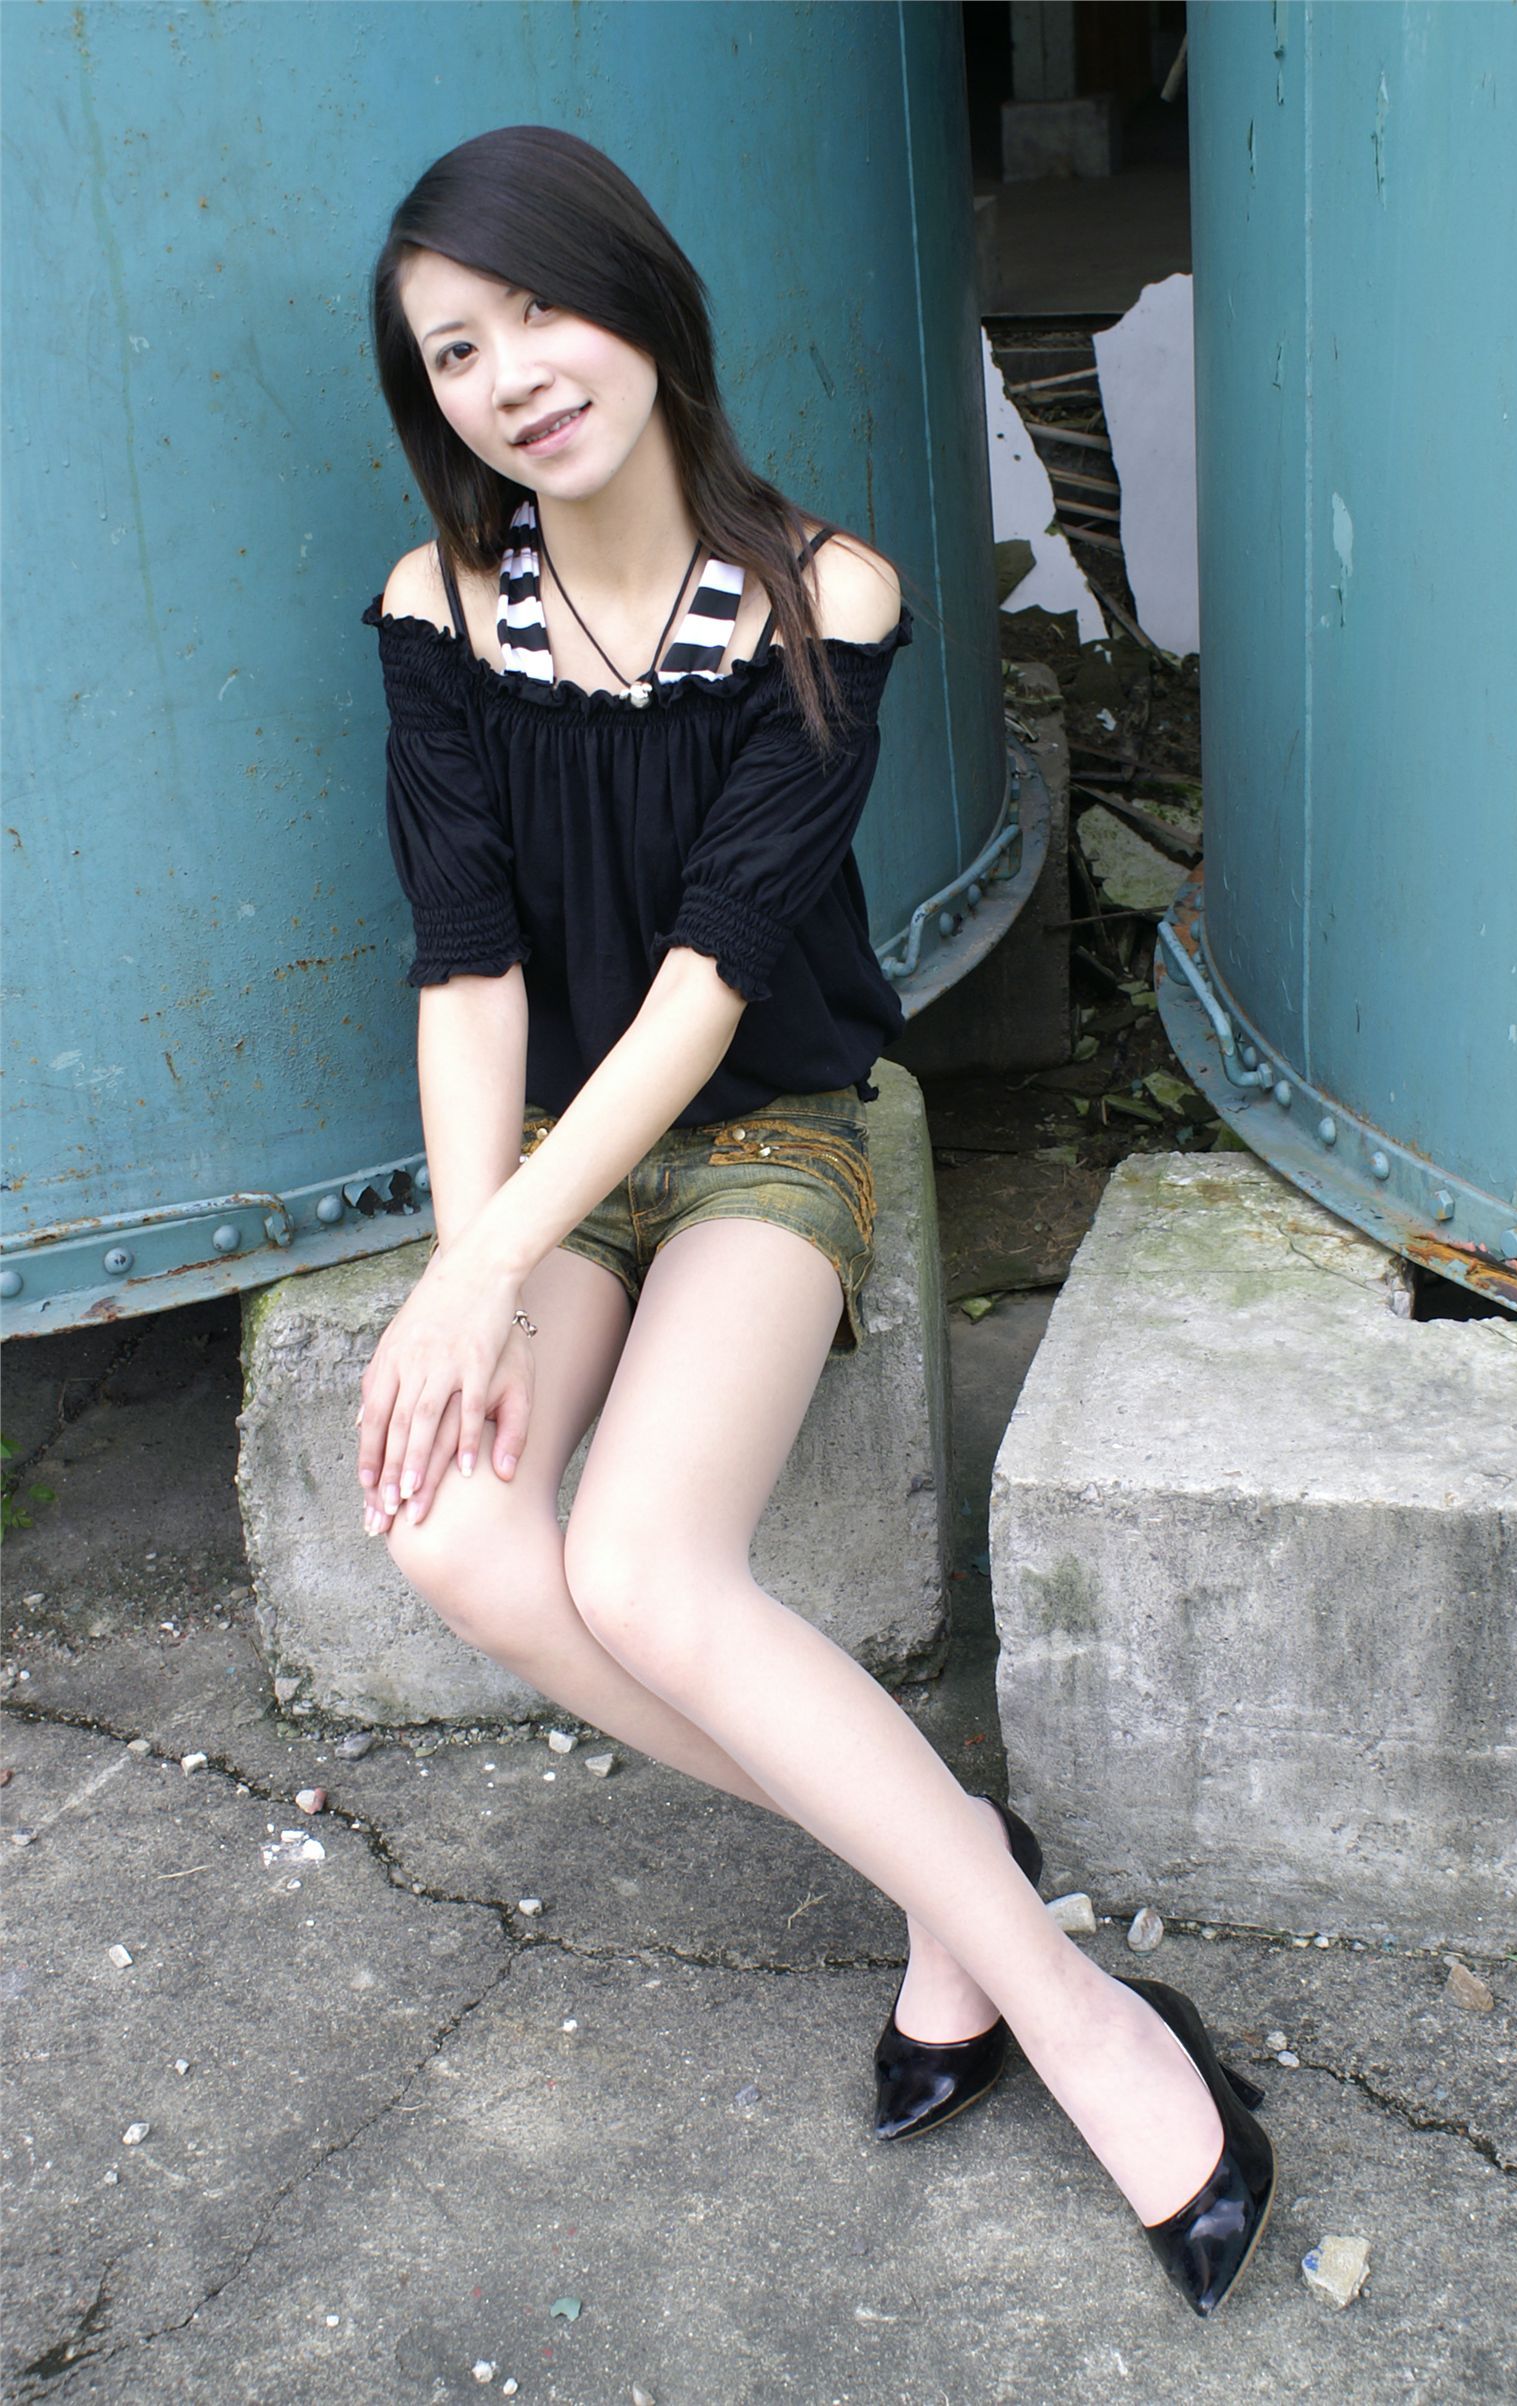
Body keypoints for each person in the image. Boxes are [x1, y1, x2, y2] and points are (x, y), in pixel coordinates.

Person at [355, 124, 1273, 2319]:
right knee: (450, 1533)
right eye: (454, 351)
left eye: (539, 311)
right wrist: (471, 1274)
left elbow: (708, 990)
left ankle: (1070, 2008)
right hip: (554, 1160)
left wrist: (483, 1266)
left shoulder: (818, 597)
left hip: (769, 1128)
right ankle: (960, 1879)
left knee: (638, 1566)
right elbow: (468, 973)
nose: (512, 375)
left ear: (641, 301)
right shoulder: (433, 610)